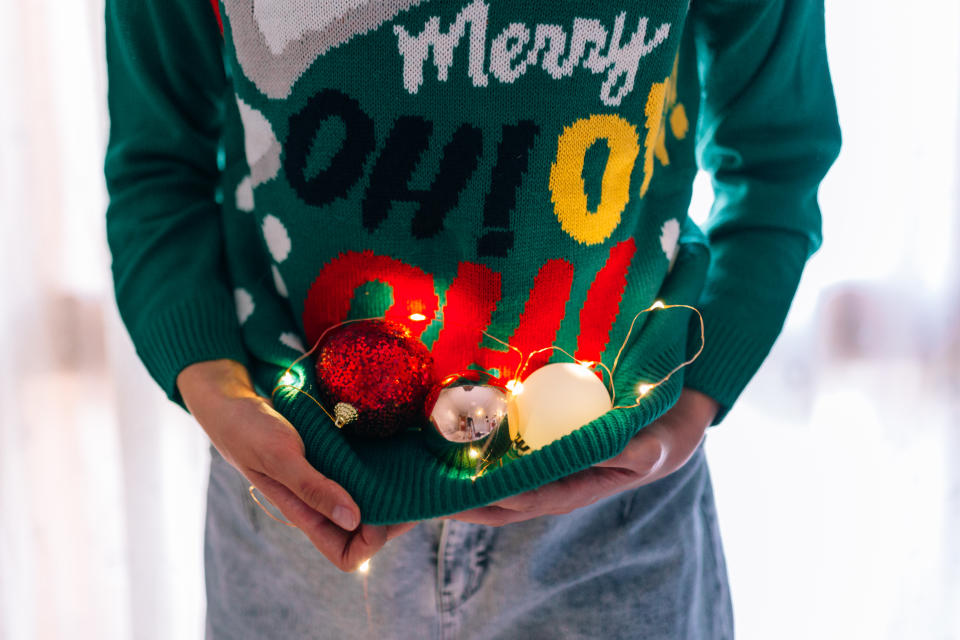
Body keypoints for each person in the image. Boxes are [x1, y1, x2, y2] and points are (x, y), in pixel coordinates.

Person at [104, 0, 840, 637]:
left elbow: (777, 158)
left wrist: (694, 402)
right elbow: (159, 167)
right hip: (295, 499)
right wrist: (211, 384)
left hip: (614, 517)